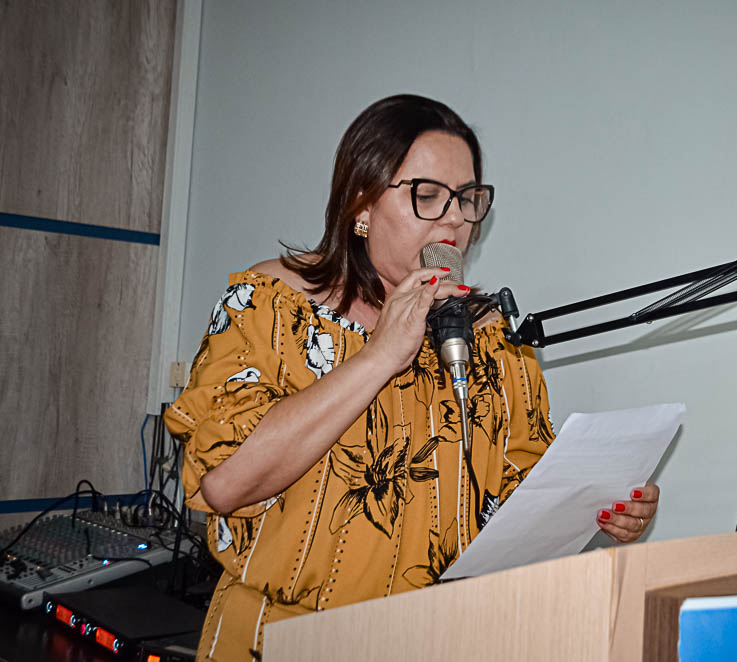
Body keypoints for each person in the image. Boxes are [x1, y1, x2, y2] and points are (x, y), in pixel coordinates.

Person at [164, 94, 659, 662]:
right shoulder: (272, 304)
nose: (454, 218)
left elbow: (522, 496)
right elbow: (224, 484)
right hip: (283, 642)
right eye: (428, 196)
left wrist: (603, 505)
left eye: (468, 199)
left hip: (441, 640)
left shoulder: (489, 334)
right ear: (361, 203)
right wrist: (379, 357)